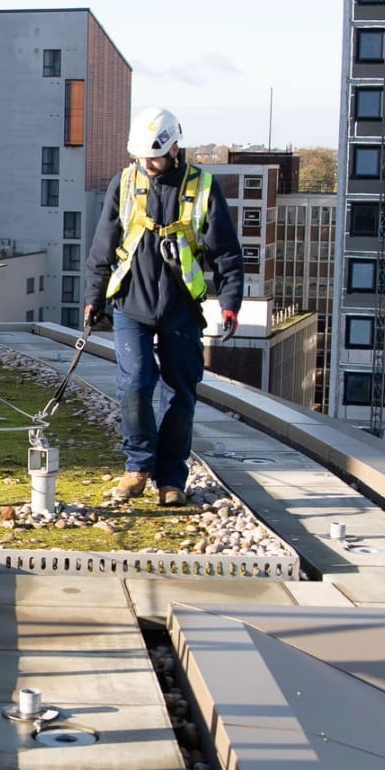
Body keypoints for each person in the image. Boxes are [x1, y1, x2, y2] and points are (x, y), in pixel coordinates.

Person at [82, 106, 244, 507]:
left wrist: (230, 303)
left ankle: (171, 478)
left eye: (154, 156)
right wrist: (93, 297)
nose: (148, 164)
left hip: (181, 307)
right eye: (141, 157)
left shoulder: (202, 187)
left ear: (174, 148)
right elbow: (103, 245)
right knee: (135, 384)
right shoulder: (125, 184)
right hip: (130, 304)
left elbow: (225, 252)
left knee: (180, 394)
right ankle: (137, 466)